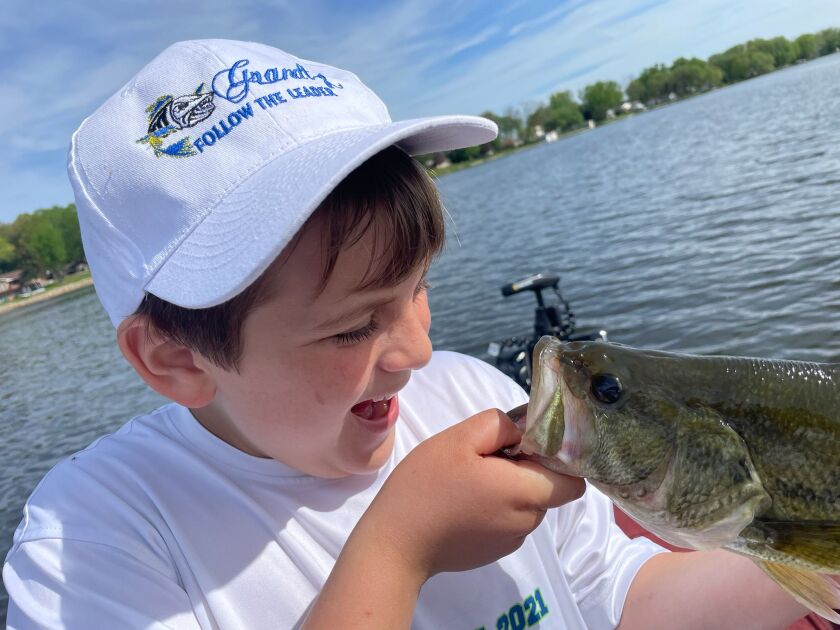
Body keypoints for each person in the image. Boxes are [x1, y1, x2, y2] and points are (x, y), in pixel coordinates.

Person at [2, 39, 816, 629]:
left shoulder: (466, 392)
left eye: (418, 288)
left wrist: (802, 576)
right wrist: (398, 550)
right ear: (175, 358)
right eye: (354, 327)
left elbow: (619, 599)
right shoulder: (93, 545)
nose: (419, 352)